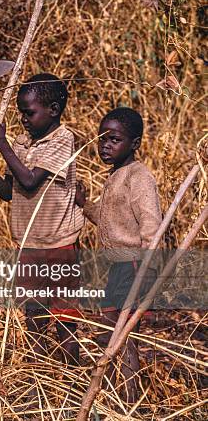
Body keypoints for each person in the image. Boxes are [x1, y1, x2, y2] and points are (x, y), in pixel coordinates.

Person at [0, 73, 84, 365]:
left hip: (59, 245)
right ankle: (38, 378)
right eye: (20, 112)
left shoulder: (63, 139)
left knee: (65, 319)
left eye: (29, 112)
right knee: (33, 317)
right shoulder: (23, 143)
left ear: (53, 110)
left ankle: (72, 380)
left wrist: (0, 141)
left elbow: (29, 181)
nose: (23, 119)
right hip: (28, 245)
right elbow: (8, 192)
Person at [75, 107, 162, 404]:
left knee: (119, 334)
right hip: (120, 266)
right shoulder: (116, 175)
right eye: (102, 139)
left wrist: (147, 270)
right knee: (113, 331)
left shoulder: (139, 177)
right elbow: (112, 221)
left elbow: (152, 225)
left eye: (114, 140)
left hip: (134, 265)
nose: (105, 146)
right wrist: (85, 205)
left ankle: (129, 398)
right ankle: (120, 392)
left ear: (134, 144)